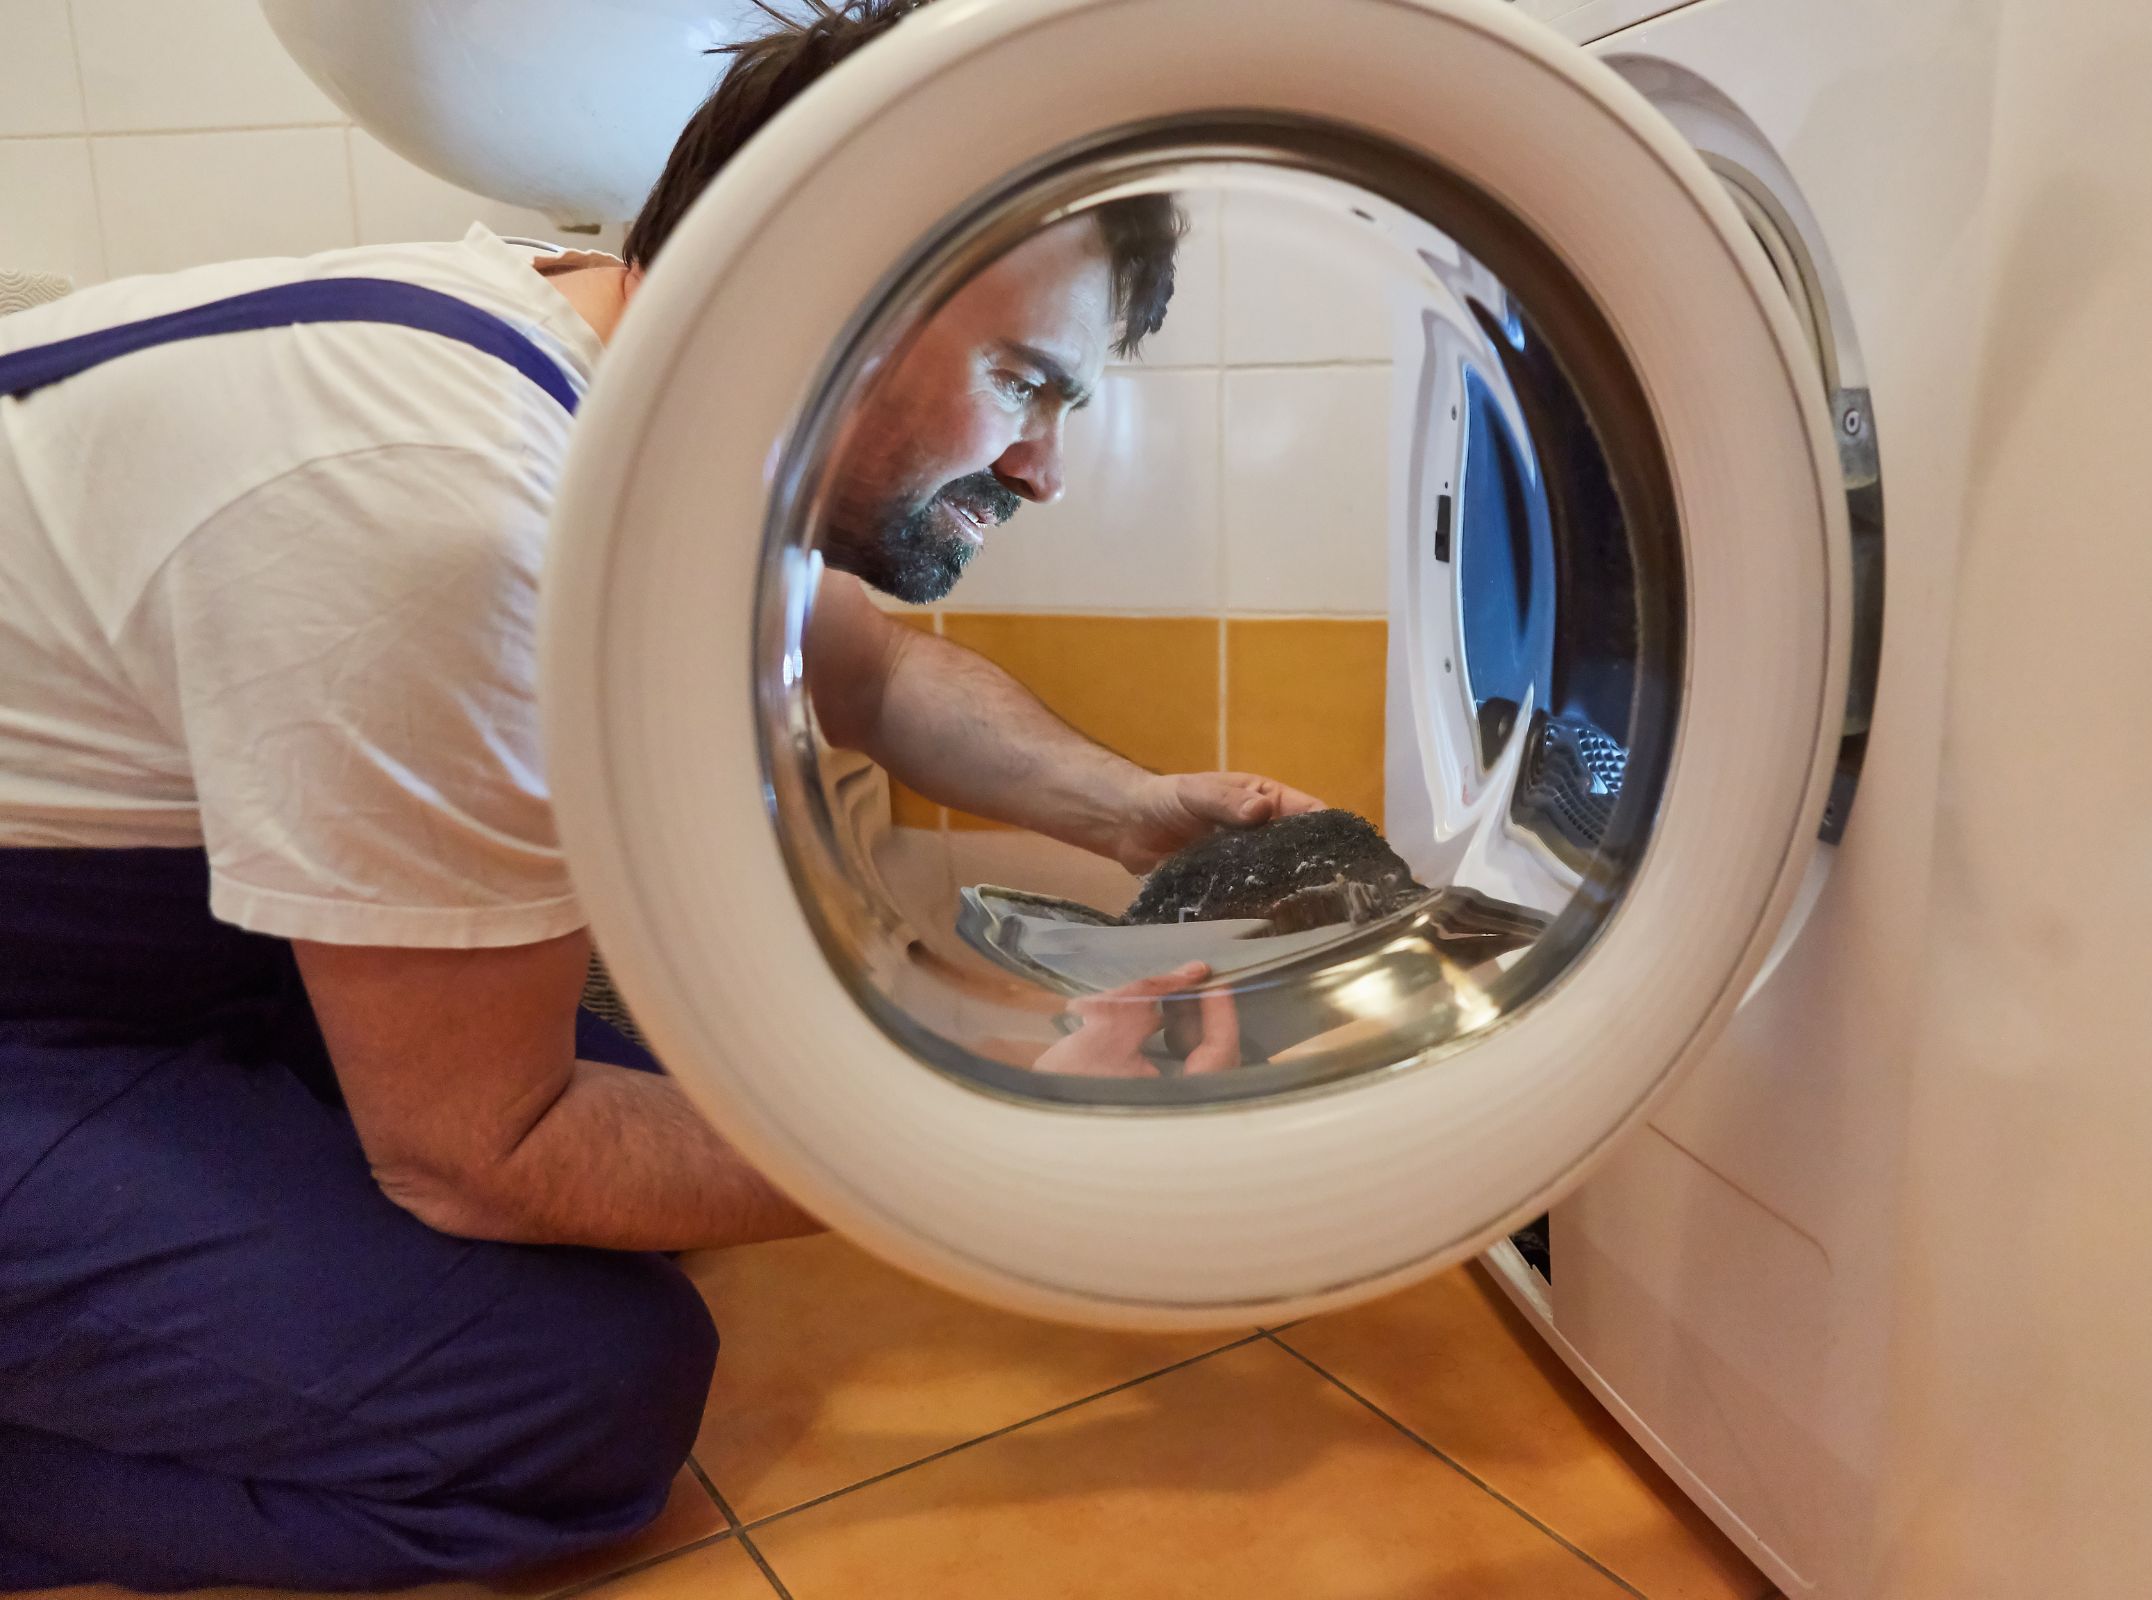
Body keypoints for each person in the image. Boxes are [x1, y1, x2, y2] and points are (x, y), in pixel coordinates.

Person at [0, 1, 1310, 1589]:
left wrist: (1127, 811)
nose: (1043, 467)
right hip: (44, 1004)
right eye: (1027, 382)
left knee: (694, 1119)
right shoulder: (452, 509)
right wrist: (1022, 1120)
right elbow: (475, 1152)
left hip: (110, 972)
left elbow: (868, 671)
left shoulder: (621, 380)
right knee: (572, 1400)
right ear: (801, 280)